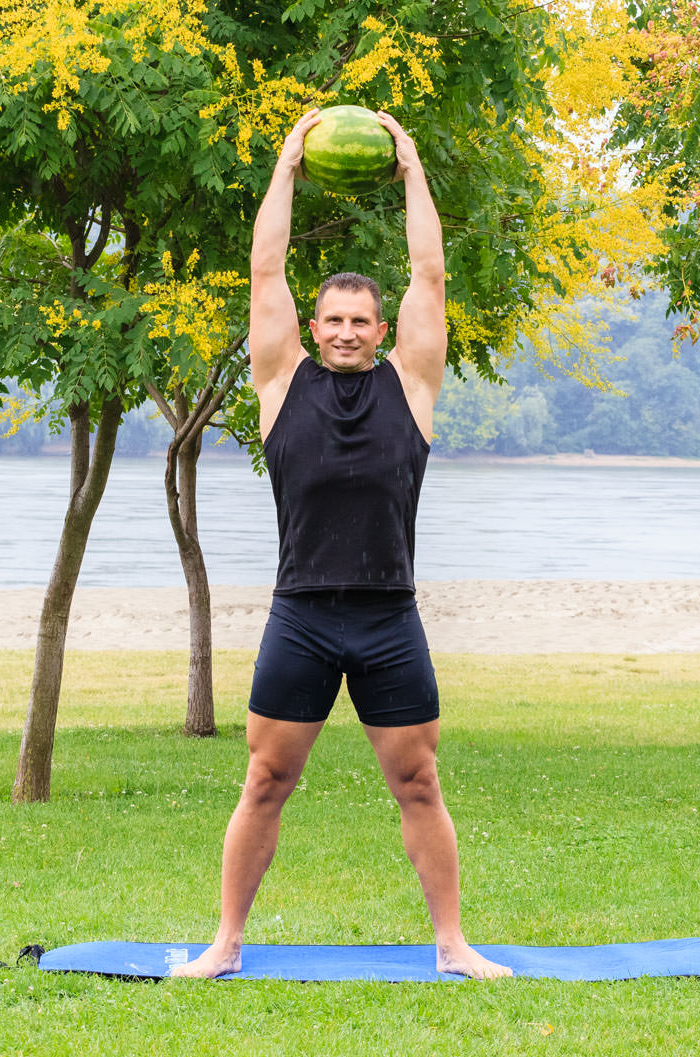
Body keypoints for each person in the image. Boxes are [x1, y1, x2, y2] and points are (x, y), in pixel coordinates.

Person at [171, 109, 511, 981]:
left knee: (420, 782)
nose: (351, 330)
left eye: (363, 318)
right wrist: (285, 164)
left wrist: (414, 172)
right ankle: (226, 942)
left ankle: (452, 944)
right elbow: (264, 271)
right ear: (315, 329)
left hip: (389, 616)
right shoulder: (281, 384)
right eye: (337, 319)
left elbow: (430, 275)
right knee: (264, 781)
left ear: (378, 327)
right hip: (304, 616)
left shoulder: (413, 382)